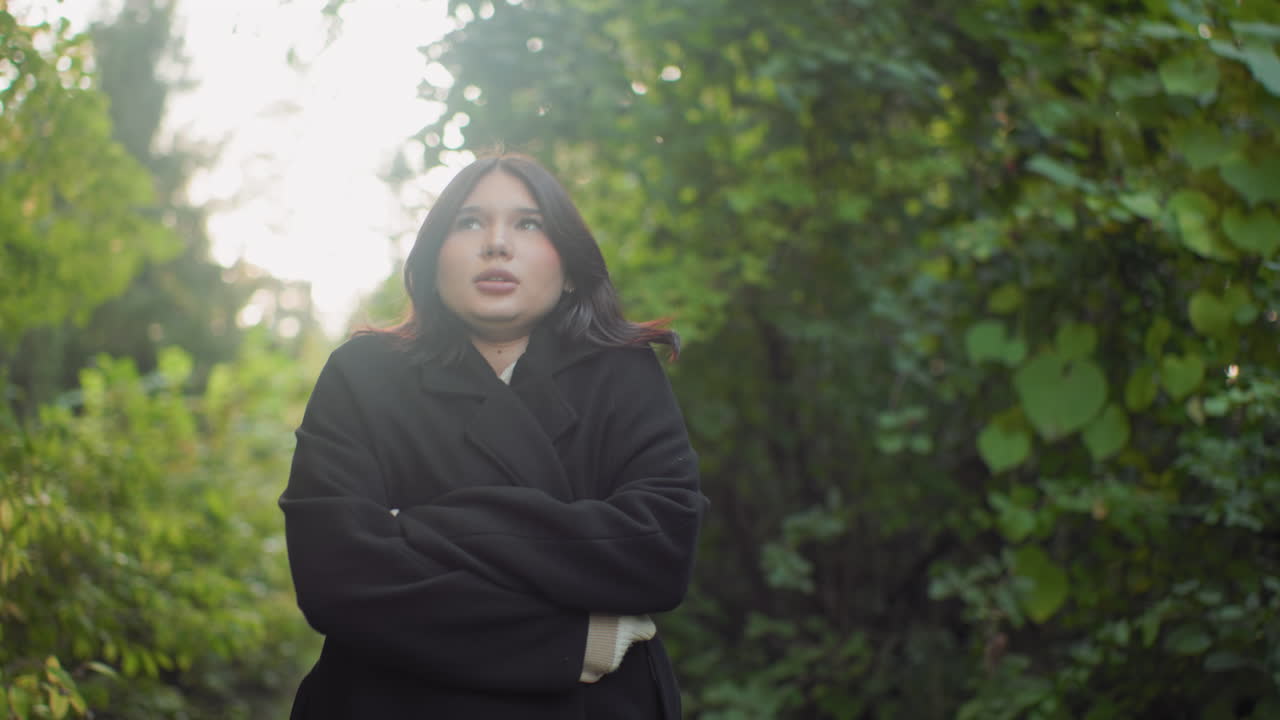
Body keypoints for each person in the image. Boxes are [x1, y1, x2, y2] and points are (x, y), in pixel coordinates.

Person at [279, 152, 707, 719]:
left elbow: (658, 551)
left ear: (572, 267)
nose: (497, 244)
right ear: (434, 260)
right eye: (469, 222)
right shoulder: (362, 374)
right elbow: (335, 575)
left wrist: (418, 529)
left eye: (529, 224)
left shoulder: (624, 373)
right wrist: (573, 641)